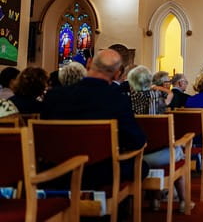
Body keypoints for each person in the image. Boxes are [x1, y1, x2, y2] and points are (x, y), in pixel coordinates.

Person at [42, 49, 148, 188]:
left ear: (89, 63)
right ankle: (117, 207)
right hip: (100, 174)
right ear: (117, 74)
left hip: (57, 172)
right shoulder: (117, 100)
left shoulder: (54, 96)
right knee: (142, 166)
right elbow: (136, 141)